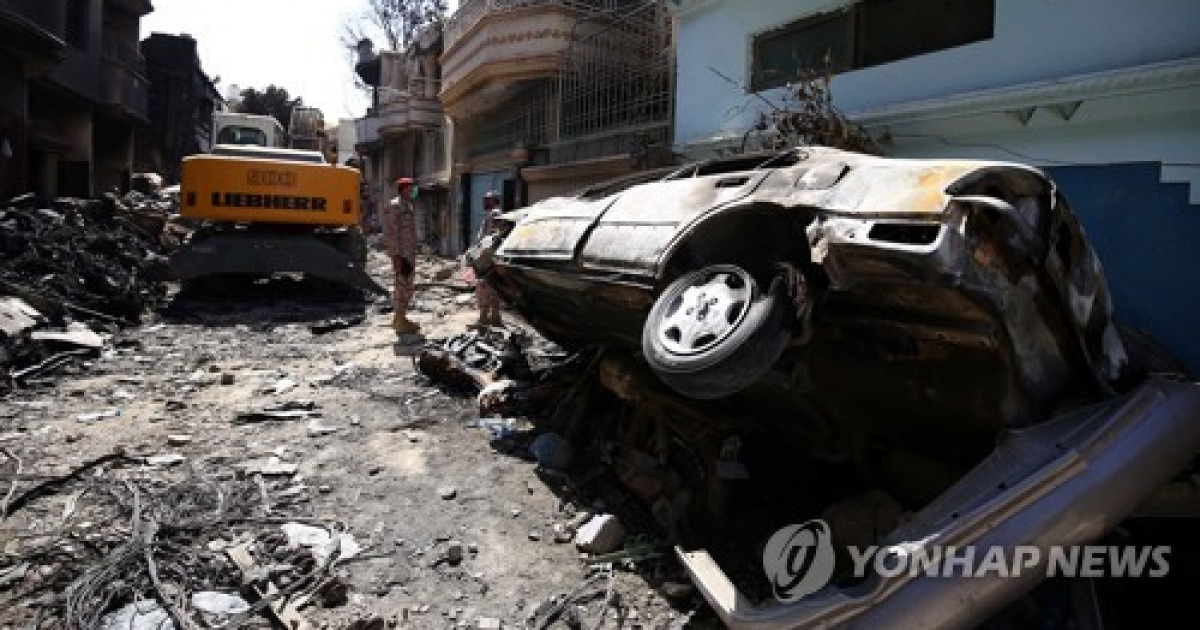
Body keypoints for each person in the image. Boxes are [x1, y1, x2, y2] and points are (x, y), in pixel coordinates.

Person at [383, 177, 421, 334]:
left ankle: (399, 318)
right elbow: (391, 233)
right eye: (410, 188)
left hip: (409, 253)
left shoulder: (408, 206)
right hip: (402, 254)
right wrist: (395, 256)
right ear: (404, 189)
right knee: (403, 286)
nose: (413, 191)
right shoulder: (395, 206)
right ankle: (400, 320)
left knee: (406, 285)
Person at [466, 191, 504, 327]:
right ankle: (495, 317)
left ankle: (484, 318)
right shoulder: (495, 214)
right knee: (493, 287)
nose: (484, 202)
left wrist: (478, 255)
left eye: (487, 200)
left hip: (487, 258)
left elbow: (490, 238)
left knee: (483, 287)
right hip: (491, 257)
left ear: (494, 200)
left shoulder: (494, 214)